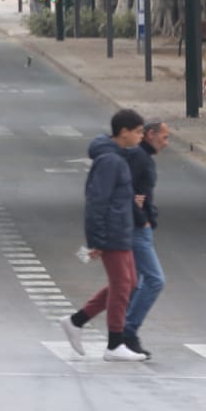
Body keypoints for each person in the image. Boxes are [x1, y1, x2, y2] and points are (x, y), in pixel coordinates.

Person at [62, 108, 149, 361]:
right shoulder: (110, 161)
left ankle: (76, 321)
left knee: (129, 283)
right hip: (112, 233)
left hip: (120, 230)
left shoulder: (117, 157)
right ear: (124, 132)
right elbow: (97, 201)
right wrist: (97, 240)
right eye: (138, 132)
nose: (141, 137)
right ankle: (114, 344)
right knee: (123, 286)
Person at [122, 118, 172, 353]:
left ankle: (120, 331)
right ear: (150, 135)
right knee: (154, 280)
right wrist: (142, 218)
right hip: (136, 228)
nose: (167, 142)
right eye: (164, 137)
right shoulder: (139, 158)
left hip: (141, 226)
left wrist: (149, 214)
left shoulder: (142, 157)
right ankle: (127, 331)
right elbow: (124, 189)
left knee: (133, 282)